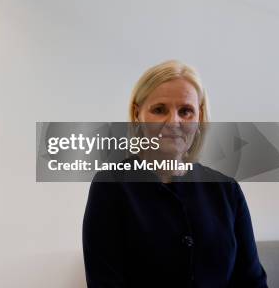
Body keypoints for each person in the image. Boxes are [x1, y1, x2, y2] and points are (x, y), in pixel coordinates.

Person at [82, 60, 267, 288]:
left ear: (199, 117)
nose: (173, 122)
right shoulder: (111, 186)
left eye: (186, 111)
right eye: (159, 110)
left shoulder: (226, 189)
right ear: (137, 114)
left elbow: (252, 280)